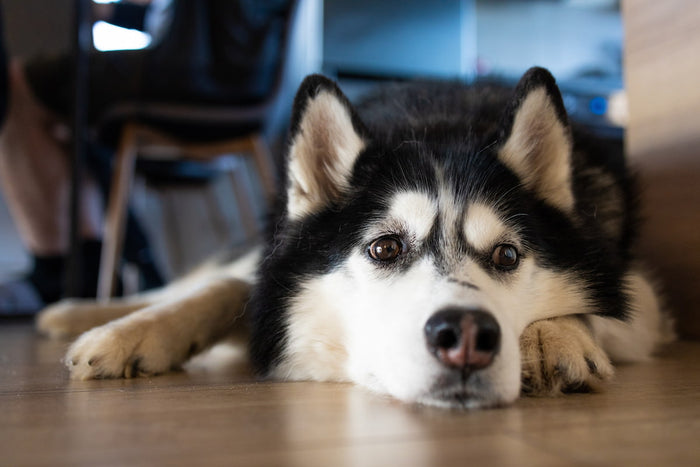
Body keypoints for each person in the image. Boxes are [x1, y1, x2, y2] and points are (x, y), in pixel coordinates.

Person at [0, 0, 292, 315]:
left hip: (202, 66)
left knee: (19, 85)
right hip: (240, 66)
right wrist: (117, 13)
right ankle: (85, 265)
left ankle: (58, 269)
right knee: (69, 111)